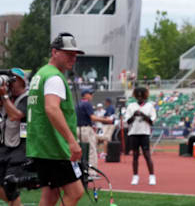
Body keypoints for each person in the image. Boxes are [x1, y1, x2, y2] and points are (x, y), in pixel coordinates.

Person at [26, 32, 85, 206]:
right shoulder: (54, 77)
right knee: (75, 192)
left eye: (75, 55)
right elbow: (52, 108)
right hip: (54, 147)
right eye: (68, 54)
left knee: (50, 195)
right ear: (54, 52)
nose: (73, 58)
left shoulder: (41, 74)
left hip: (41, 146)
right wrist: (71, 141)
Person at [0, 68, 29, 206]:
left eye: (13, 80)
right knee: (5, 188)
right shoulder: (6, 96)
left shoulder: (28, 97)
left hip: (21, 147)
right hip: (5, 145)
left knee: (9, 183)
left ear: (22, 82)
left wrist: (4, 96)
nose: (10, 83)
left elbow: (15, 116)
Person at [123, 87, 157, 185]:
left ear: (145, 96)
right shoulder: (131, 106)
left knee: (147, 155)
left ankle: (152, 176)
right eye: (138, 96)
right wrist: (134, 115)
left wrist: (143, 115)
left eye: (142, 96)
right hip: (133, 133)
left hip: (144, 133)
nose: (140, 98)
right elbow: (128, 121)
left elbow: (151, 121)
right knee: (135, 155)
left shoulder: (150, 106)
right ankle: (135, 176)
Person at [75, 89, 112, 173]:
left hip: (77, 128)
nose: (92, 95)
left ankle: (80, 171)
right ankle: (91, 172)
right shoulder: (87, 103)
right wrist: (106, 120)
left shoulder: (78, 104)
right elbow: (93, 117)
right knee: (91, 150)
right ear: (85, 95)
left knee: (80, 151)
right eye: (90, 94)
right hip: (85, 129)